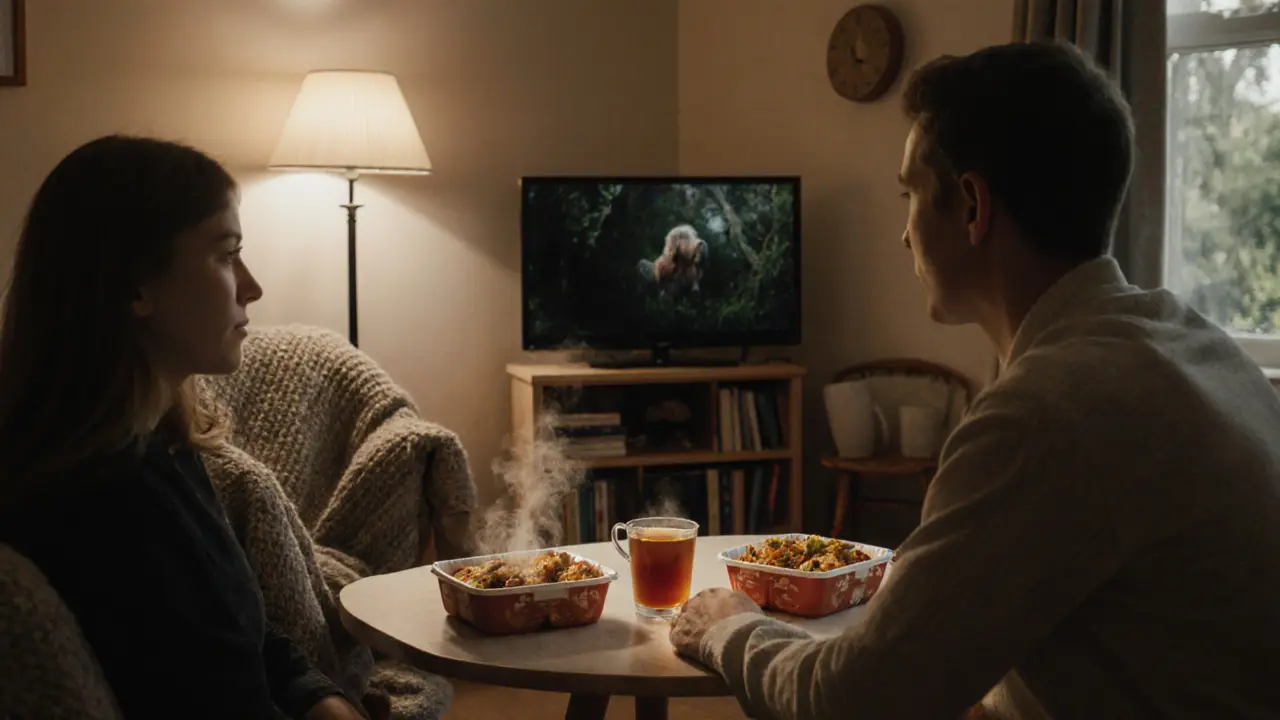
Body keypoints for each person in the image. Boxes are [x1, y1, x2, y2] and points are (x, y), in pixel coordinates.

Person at [670, 40, 1280, 719]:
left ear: (970, 207)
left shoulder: (1046, 414)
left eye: (909, 195)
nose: (904, 235)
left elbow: (852, 702)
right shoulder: (1196, 344)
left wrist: (729, 625)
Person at [0, 136, 368, 719]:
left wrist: (321, 698)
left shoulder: (160, 450)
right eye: (225, 254)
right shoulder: (103, 506)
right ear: (134, 287)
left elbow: (238, 638)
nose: (251, 286)